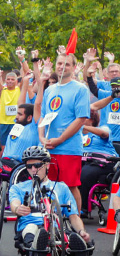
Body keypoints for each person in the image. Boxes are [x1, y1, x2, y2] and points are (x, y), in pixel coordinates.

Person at [8, 146, 91, 255]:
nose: (33, 170)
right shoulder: (18, 187)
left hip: (56, 228)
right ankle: (35, 246)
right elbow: (14, 203)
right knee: (31, 228)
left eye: (37, 165)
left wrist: (81, 231)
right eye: (29, 166)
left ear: (47, 165)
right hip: (30, 226)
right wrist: (18, 208)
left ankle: (76, 245)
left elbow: (73, 216)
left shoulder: (61, 187)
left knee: (72, 237)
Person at [38, 49, 90, 215]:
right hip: (49, 147)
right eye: (60, 63)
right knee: (49, 184)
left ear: (74, 68)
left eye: (67, 64)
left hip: (68, 147)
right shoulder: (50, 90)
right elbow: (44, 117)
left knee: (70, 185)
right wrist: (41, 137)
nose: (62, 67)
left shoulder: (80, 89)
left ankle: (75, 220)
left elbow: (81, 119)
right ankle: (54, 222)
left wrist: (60, 139)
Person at [78, 110, 118, 213]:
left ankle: (83, 208)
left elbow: (104, 134)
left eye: (82, 118)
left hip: (104, 163)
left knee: (85, 173)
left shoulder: (103, 128)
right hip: (83, 162)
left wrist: (82, 127)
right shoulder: (78, 135)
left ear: (91, 119)